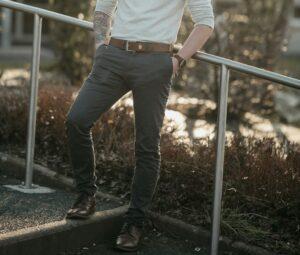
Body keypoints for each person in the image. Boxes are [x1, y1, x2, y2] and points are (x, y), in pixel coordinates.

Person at [65, 0, 214, 251]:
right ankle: (85, 195)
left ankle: (134, 223)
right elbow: (103, 8)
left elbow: (205, 23)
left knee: (146, 145)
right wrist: (102, 44)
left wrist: (178, 60)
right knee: (76, 120)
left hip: (156, 63)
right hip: (113, 56)